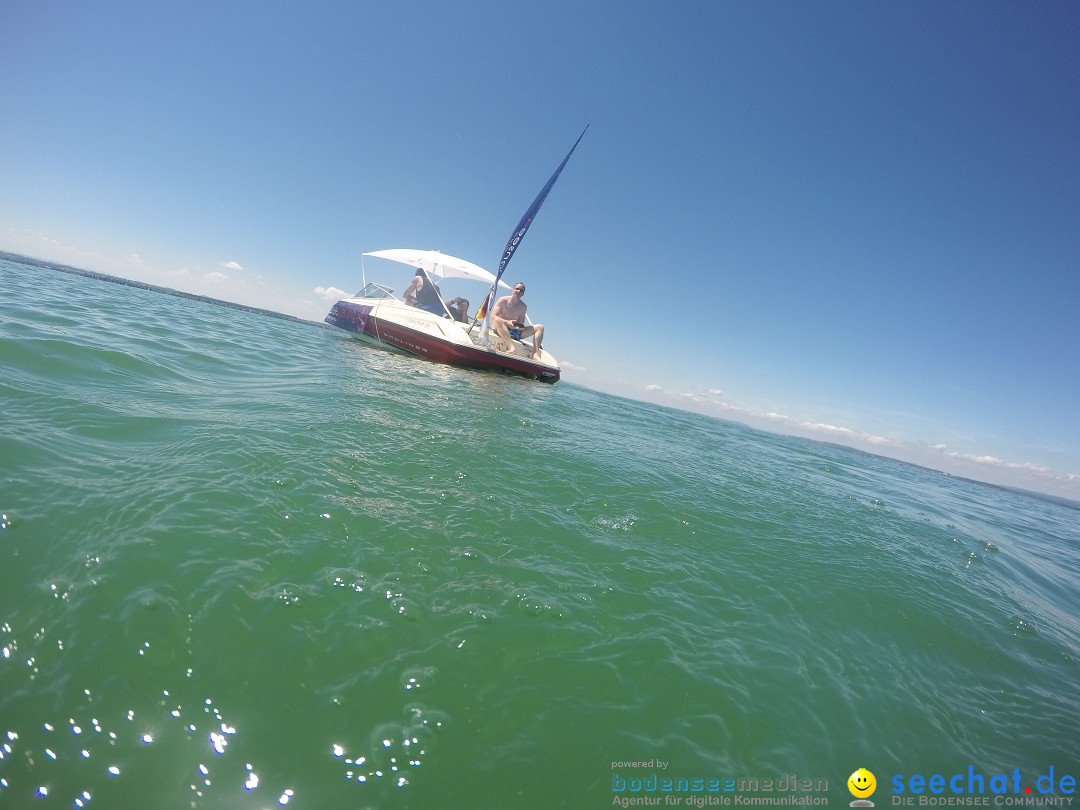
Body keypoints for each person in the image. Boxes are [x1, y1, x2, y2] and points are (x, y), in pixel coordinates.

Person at [491, 282, 545, 359]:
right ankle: (511, 348)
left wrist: (519, 326)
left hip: (514, 331)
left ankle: (535, 353)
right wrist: (507, 322)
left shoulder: (523, 307)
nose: (519, 291)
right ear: (513, 290)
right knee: (497, 320)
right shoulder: (503, 300)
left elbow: (521, 323)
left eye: (521, 290)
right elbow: (493, 317)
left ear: (523, 294)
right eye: (517, 289)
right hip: (500, 328)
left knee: (540, 327)